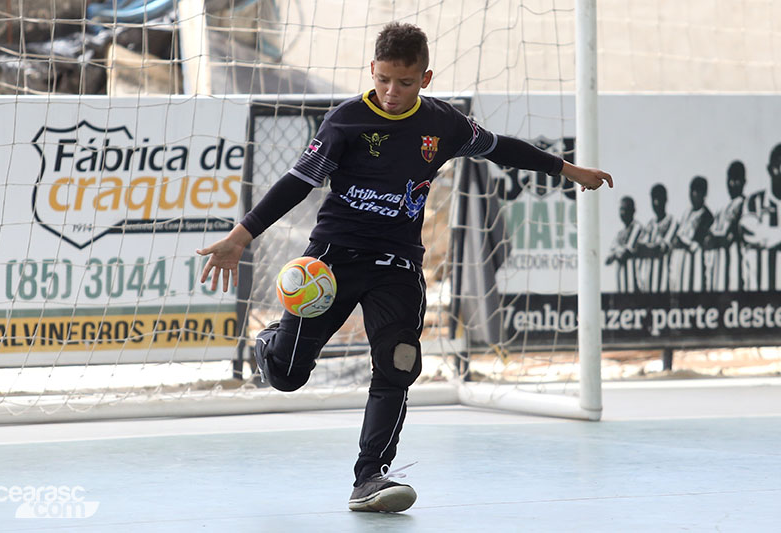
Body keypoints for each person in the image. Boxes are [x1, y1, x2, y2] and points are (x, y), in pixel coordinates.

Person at [196, 22, 613, 513]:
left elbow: (501, 147)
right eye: (384, 80)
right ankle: (273, 345)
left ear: (426, 78)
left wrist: (567, 169)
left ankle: (370, 475)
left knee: (398, 361)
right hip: (332, 259)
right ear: (372, 70)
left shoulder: (445, 125)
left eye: (406, 82)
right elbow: (296, 182)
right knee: (288, 376)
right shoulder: (345, 121)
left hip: (396, 264)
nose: (393, 93)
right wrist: (240, 236)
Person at [742, 143, 781, 291]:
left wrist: (767, 235)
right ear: (769, 170)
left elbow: (761, 235)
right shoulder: (754, 202)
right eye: (778, 167)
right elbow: (749, 232)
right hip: (758, 293)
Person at [704, 161, 746, 291]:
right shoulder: (722, 210)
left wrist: (717, 238)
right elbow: (707, 240)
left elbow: (728, 238)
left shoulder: (745, 206)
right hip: (717, 270)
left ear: (744, 181)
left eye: (736, 179)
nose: (732, 184)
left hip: (735, 270)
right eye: (730, 179)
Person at [669, 176, 714, 292]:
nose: (693, 195)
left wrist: (682, 242)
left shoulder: (706, 216)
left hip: (694, 262)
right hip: (680, 260)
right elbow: (679, 234)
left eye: (697, 191)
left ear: (704, 194)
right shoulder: (687, 213)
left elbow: (696, 241)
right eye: (692, 191)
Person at [636, 184, 677, 292]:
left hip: (664, 284)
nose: (656, 203)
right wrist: (650, 248)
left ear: (666, 200)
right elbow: (639, 248)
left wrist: (650, 248)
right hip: (646, 284)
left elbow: (661, 249)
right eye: (654, 199)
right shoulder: (650, 224)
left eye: (659, 199)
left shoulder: (672, 222)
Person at [605, 196, 642, 292]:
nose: (623, 213)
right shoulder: (620, 233)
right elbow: (607, 259)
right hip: (621, 287)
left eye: (626, 209)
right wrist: (617, 251)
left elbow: (625, 253)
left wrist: (616, 251)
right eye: (621, 209)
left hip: (635, 287)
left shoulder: (637, 228)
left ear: (633, 211)